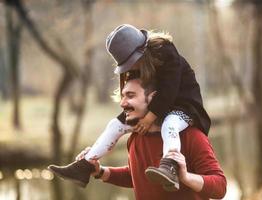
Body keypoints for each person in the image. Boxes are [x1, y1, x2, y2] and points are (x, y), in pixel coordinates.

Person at [48, 24, 211, 191]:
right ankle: (85, 165)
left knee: (169, 125)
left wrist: (149, 118)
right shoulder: (138, 66)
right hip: (155, 106)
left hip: (184, 106)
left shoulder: (165, 53)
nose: (131, 68)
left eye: (132, 62)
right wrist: (101, 172)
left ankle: (170, 166)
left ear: (142, 51)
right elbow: (135, 174)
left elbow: (169, 89)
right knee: (115, 125)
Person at [78, 77, 226, 200]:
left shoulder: (190, 136)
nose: (122, 103)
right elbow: (137, 176)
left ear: (153, 98)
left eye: (130, 96)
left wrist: (186, 177)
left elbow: (220, 187)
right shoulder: (135, 138)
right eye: (122, 96)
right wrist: (100, 172)